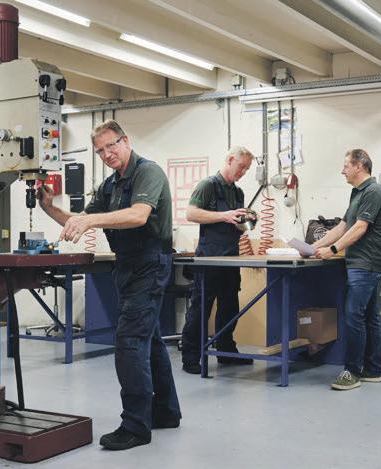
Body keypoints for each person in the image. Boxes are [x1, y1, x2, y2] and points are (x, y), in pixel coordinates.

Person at [37, 120, 181, 450]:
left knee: (129, 343)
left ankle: (135, 426)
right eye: (100, 151)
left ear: (125, 141)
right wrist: (50, 208)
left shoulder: (148, 172)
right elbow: (79, 220)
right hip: (127, 266)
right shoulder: (110, 185)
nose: (106, 154)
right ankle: (165, 412)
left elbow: (138, 215)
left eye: (111, 145)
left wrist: (90, 220)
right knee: (150, 341)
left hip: (149, 264)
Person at [313, 149, 381, 391]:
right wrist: (313, 246)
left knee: (353, 315)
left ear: (359, 166)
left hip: (366, 264)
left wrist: (333, 249)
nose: (342, 171)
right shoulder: (358, 192)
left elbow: (360, 228)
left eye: (346, 165)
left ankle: (352, 372)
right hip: (360, 263)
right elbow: (344, 226)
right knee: (368, 317)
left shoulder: (373, 192)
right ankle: (372, 370)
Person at [180, 146, 256, 374]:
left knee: (230, 306)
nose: (243, 172)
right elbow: (191, 213)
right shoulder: (208, 186)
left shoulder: (237, 192)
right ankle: (190, 358)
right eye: (241, 167)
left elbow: (237, 226)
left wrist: (247, 221)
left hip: (231, 257)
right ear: (230, 159)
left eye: (247, 169)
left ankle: (226, 351)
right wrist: (224, 215)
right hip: (209, 258)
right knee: (201, 308)